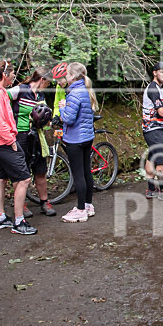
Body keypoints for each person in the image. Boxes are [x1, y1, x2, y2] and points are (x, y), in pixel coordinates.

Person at [0, 61, 36, 235]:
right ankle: (19, 222)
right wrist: (11, 140)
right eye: (12, 74)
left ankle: (0, 217)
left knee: (1, 178)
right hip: (3, 142)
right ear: (5, 75)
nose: (14, 77)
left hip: (0, 141)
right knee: (24, 179)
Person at [7, 66, 56, 217]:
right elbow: (1, 100)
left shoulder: (40, 96)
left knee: (40, 170)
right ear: (42, 80)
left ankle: (44, 202)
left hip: (37, 136)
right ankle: (21, 204)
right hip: (20, 135)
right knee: (21, 172)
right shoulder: (20, 90)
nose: (48, 85)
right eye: (48, 82)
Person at [59, 63, 98, 223]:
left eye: (67, 74)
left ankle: (80, 210)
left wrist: (62, 108)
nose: (65, 77)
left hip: (75, 139)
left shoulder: (74, 93)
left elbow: (68, 118)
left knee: (78, 175)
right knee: (87, 171)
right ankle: (88, 205)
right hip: (87, 137)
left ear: (73, 76)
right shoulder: (86, 90)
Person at [142, 62, 163, 203]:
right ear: (155, 73)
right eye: (162, 72)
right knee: (162, 159)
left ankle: (151, 190)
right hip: (153, 129)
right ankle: (162, 191)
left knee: (152, 158)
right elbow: (162, 111)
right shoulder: (153, 89)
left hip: (152, 129)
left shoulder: (159, 89)